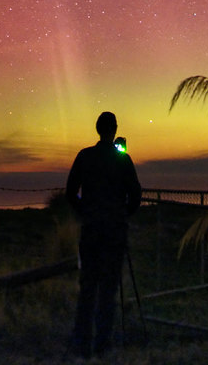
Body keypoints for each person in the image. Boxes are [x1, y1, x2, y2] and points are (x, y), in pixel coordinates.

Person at [65, 110, 143, 356]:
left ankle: (81, 343)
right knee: (108, 289)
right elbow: (136, 195)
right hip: (114, 231)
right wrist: (122, 215)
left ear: (97, 129)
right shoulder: (123, 160)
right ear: (115, 129)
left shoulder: (85, 156)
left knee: (88, 286)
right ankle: (102, 344)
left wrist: (84, 212)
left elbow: (70, 191)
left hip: (91, 230)